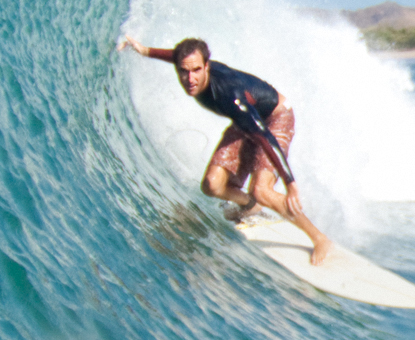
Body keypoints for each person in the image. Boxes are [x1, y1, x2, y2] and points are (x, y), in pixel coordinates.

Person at [118, 34, 334, 265]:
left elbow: (265, 137)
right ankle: (250, 205)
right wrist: (144, 50)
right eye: (184, 71)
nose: (190, 79)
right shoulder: (190, 67)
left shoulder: (229, 96)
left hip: (274, 118)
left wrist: (290, 183)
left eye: (196, 70)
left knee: (261, 190)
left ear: (207, 66)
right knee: (212, 185)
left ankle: (319, 238)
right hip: (246, 120)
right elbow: (178, 57)